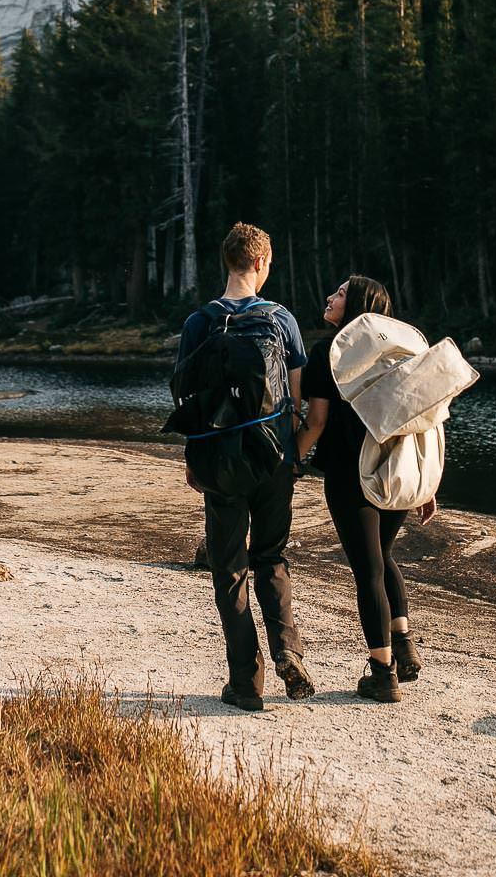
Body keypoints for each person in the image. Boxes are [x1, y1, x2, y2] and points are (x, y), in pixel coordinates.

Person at [176, 222, 314, 711]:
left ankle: (245, 683)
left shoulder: (199, 322)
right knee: (272, 557)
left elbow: (188, 398)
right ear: (259, 263)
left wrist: (195, 461)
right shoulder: (280, 320)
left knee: (229, 569)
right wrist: (294, 455)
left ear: (227, 262)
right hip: (272, 457)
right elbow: (295, 401)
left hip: (219, 459)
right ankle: (287, 650)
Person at [295, 275, 437, 703]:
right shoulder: (401, 354)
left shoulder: (329, 353)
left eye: (338, 293)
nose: (329, 297)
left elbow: (316, 423)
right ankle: (405, 644)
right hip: (397, 472)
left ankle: (382, 674)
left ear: (355, 303)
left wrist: (291, 463)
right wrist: (425, 484)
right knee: (383, 557)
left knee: (368, 570)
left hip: (350, 474)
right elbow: (421, 424)